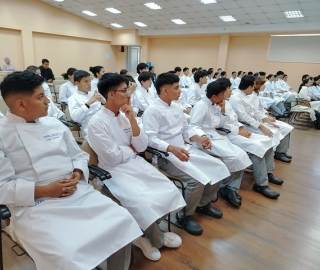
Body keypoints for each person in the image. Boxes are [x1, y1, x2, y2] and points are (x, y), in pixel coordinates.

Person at [0, 71, 142, 270]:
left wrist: (77, 173)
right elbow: (2, 187)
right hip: (35, 206)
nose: (48, 101)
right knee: (66, 255)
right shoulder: (2, 134)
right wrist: (47, 190)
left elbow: (79, 156)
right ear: (21, 104)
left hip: (77, 192)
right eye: (40, 97)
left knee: (122, 220)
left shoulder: (54, 124)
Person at [87, 73, 186, 261]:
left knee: (166, 189)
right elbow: (112, 157)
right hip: (113, 173)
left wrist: (132, 120)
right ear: (111, 95)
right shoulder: (96, 123)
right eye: (124, 91)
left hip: (135, 164)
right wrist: (131, 149)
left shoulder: (125, 114)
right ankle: (149, 239)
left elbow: (141, 146)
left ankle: (145, 230)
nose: (128, 94)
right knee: (142, 202)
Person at [142, 72, 230, 236]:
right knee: (196, 181)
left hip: (185, 149)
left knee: (219, 166)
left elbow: (185, 130)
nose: (180, 90)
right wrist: (171, 148)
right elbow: (150, 139)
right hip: (167, 156)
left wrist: (199, 138)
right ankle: (185, 215)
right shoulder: (152, 111)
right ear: (165, 90)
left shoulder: (175, 107)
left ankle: (203, 204)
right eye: (177, 88)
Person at [189, 81, 252, 207]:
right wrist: (203, 136)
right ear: (214, 96)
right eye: (222, 94)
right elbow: (193, 125)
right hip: (204, 139)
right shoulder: (201, 105)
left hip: (216, 136)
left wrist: (223, 112)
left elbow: (220, 124)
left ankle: (229, 187)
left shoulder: (216, 104)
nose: (224, 96)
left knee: (241, 154)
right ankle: (224, 185)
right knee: (233, 157)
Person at [216, 78, 280, 199]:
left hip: (238, 130)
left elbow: (235, 119)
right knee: (256, 149)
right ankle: (261, 184)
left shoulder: (227, 102)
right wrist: (239, 130)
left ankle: (267, 172)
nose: (231, 90)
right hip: (227, 135)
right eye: (229, 88)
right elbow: (219, 125)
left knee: (268, 141)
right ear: (222, 91)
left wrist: (240, 128)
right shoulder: (228, 100)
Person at [229, 75, 292, 165]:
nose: (254, 88)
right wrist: (261, 126)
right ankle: (270, 160)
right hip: (246, 125)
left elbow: (255, 112)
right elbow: (244, 117)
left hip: (253, 123)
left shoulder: (246, 96)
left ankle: (273, 157)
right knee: (271, 136)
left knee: (273, 134)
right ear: (250, 87)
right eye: (253, 86)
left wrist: (266, 119)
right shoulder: (236, 97)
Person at [67, 70, 103, 139]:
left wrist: (103, 102)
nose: (89, 83)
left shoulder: (93, 94)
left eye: (89, 81)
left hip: (102, 122)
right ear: (77, 83)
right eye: (86, 81)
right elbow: (76, 118)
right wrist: (88, 103)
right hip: (89, 126)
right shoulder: (73, 98)